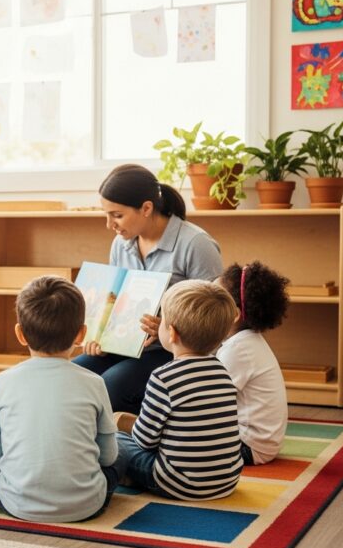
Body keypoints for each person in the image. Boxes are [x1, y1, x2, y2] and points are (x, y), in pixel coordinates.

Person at [74, 164, 223, 414]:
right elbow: (115, 299)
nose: (109, 224)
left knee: (110, 387)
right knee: (72, 377)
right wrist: (97, 334)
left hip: (172, 351)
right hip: (121, 345)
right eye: (106, 214)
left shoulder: (196, 244)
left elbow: (215, 314)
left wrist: (166, 323)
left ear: (146, 208)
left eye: (117, 215)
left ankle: (121, 443)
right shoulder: (120, 244)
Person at [0, 276, 119, 522]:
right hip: (87, 504)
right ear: (81, 335)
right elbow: (108, 457)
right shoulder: (94, 382)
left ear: (20, 334)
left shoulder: (4, 380)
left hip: (16, 503)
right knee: (121, 455)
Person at [114, 280, 243, 501]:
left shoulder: (163, 377)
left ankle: (132, 476)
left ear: (171, 333)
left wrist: (125, 425)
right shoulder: (222, 370)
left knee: (115, 439)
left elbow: (144, 441)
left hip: (180, 484)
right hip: (227, 480)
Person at [217, 261, 290, 465]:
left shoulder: (238, 350)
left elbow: (208, 398)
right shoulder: (245, 342)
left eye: (213, 299)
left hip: (248, 446)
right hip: (259, 443)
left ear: (233, 314)